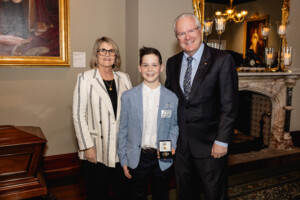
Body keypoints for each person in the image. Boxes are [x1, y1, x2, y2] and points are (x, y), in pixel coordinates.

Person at [165, 13, 239, 200]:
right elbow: (169, 104)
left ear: (200, 30)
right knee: (185, 194)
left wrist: (222, 141)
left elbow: (229, 105)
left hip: (211, 146)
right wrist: (166, 141)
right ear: (177, 38)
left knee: (215, 195)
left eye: (191, 30)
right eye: (181, 33)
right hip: (181, 147)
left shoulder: (222, 60)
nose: (187, 37)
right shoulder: (172, 63)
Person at [73, 36, 132, 200]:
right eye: (103, 50)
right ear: (96, 54)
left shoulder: (124, 78)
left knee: (123, 192)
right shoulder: (85, 78)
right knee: (97, 193)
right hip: (96, 148)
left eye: (111, 50)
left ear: (116, 56)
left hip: (121, 149)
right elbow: (78, 114)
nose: (107, 54)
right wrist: (87, 146)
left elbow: (130, 113)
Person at [118, 47, 179, 200]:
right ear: (139, 68)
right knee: (137, 195)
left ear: (161, 67)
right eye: (145, 65)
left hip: (162, 156)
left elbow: (174, 126)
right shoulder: (128, 97)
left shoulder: (171, 98)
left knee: (161, 194)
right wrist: (123, 159)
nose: (150, 69)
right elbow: (123, 129)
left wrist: (172, 145)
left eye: (154, 65)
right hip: (137, 157)